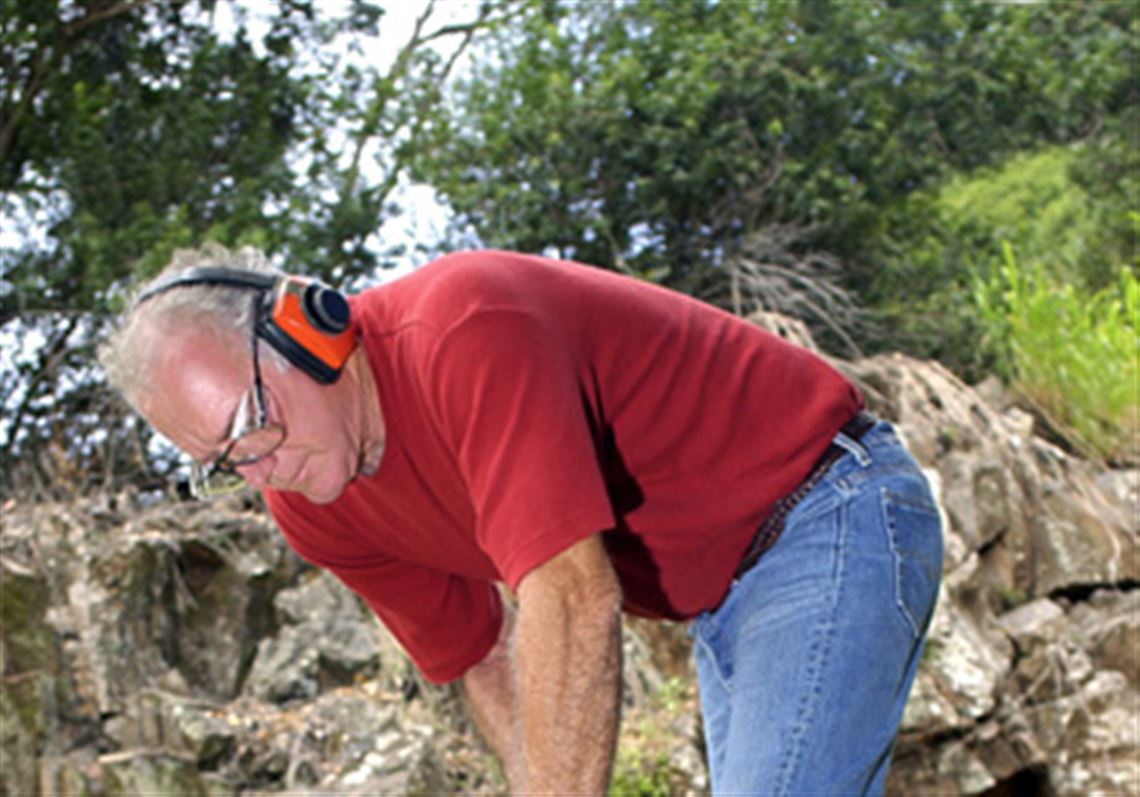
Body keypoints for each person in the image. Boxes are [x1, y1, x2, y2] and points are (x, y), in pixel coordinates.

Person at [100, 243, 943, 795]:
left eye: (255, 413)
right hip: (723, 601)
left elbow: (571, 597)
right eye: (225, 460)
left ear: (305, 328)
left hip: (829, 508)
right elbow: (485, 658)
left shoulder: (465, 328)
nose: (263, 459)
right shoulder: (316, 510)